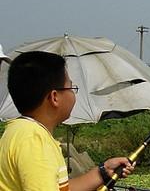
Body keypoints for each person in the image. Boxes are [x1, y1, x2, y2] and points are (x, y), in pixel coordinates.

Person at [0, 51, 135, 191]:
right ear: (54, 97)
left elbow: (61, 188)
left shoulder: (20, 131)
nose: (73, 93)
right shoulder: (34, 140)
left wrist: (103, 171)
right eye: (71, 87)